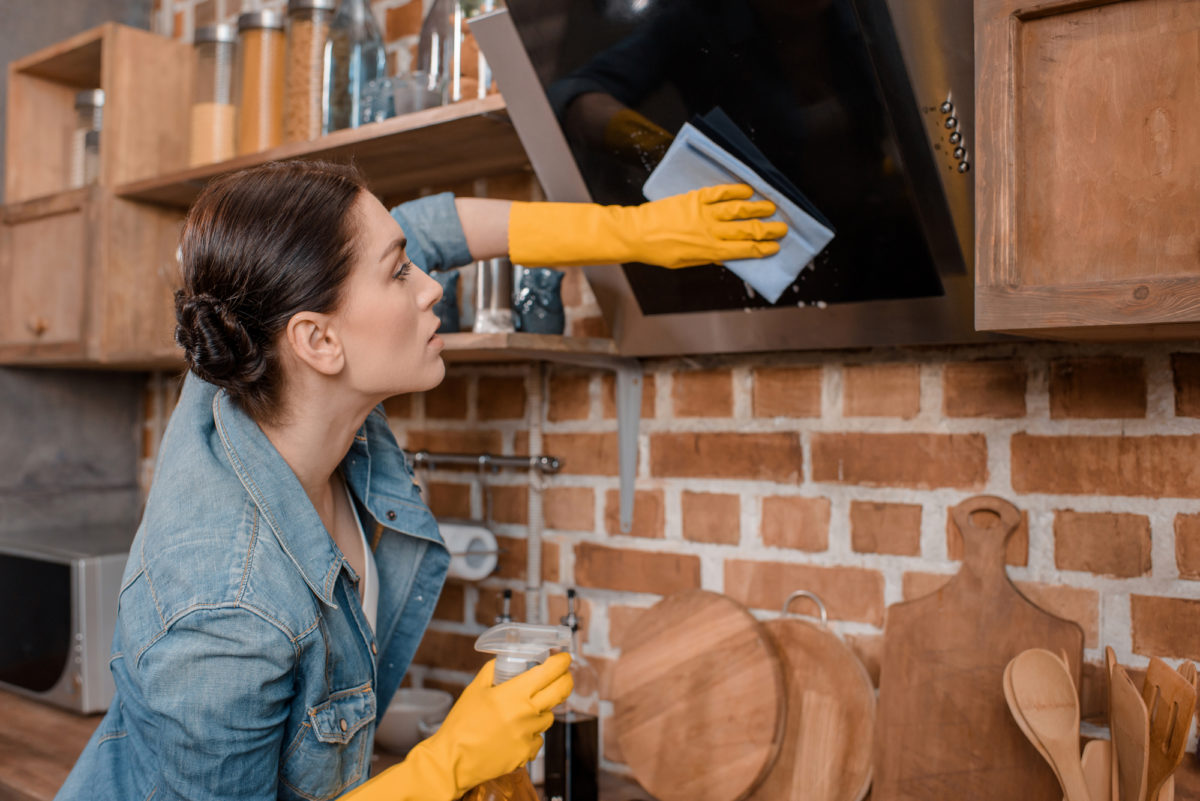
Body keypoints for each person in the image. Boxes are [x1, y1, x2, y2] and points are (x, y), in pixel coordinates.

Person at [54, 159, 785, 801]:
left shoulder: (252, 355)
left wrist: (633, 233)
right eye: (400, 272)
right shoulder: (224, 608)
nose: (433, 286)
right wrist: (447, 765)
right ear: (318, 340)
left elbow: (434, 225)